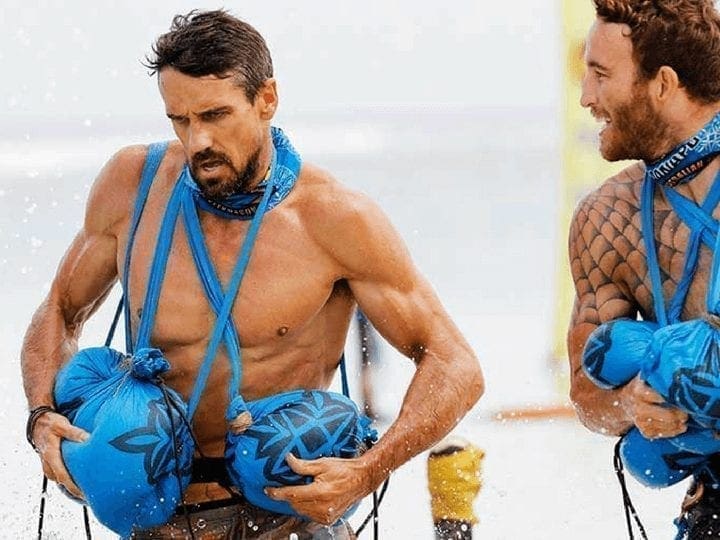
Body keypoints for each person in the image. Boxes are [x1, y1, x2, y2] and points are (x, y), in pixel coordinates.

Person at [20, 9, 484, 539]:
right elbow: (60, 309)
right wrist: (41, 417)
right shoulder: (134, 188)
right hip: (160, 523)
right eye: (180, 119)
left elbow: (455, 364)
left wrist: (368, 470)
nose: (197, 141)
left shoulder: (334, 220)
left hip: (287, 521)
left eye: (215, 115)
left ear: (267, 99)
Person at [567, 0, 720, 536]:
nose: (586, 97)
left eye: (600, 74)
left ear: (663, 84)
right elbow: (586, 395)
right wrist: (632, 404)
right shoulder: (608, 219)